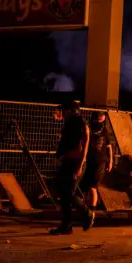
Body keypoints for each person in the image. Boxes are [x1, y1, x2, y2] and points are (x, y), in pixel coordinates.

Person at [50, 100, 91, 235]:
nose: (62, 113)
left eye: (64, 110)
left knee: (68, 193)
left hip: (75, 163)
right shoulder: (70, 123)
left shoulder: (80, 123)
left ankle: (86, 213)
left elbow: (84, 145)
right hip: (69, 162)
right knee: (63, 192)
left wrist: (80, 165)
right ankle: (66, 225)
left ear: (71, 111)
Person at [79, 111, 113, 227]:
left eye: (102, 121)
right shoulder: (88, 129)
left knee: (93, 187)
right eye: (99, 120)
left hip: (100, 162)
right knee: (84, 188)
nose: (100, 123)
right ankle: (86, 212)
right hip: (89, 161)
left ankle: (91, 213)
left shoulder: (104, 131)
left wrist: (110, 161)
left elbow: (109, 147)